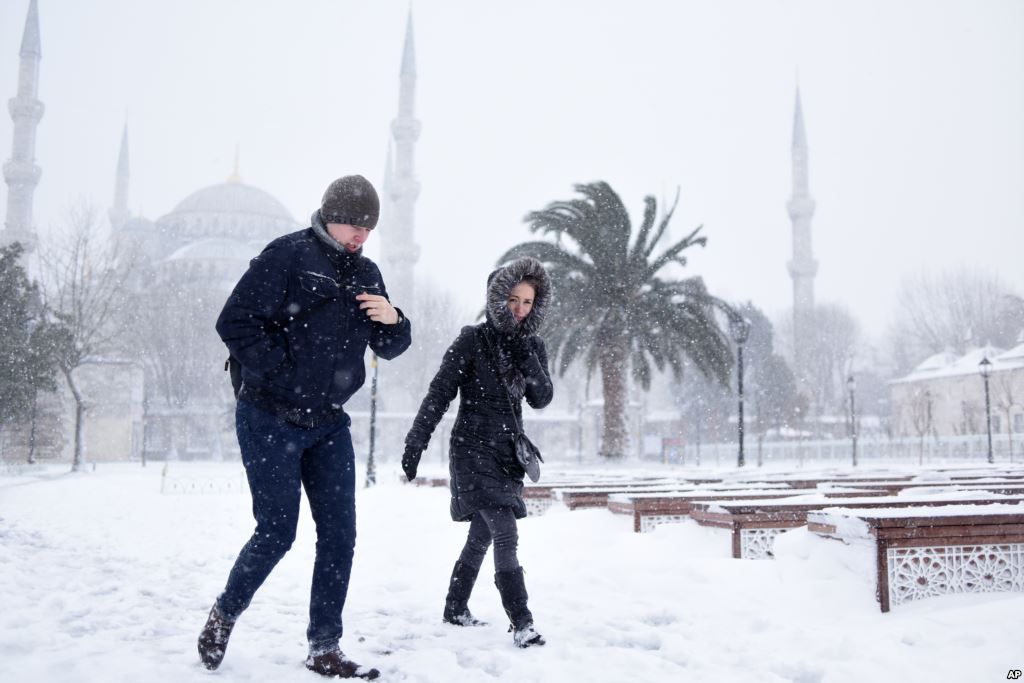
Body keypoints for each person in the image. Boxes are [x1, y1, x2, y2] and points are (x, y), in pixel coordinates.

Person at [198, 175, 411, 680]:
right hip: (269, 415)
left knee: (340, 535)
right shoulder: (287, 256)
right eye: (352, 224)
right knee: (277, 531)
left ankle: (324, 647)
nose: (360, 235)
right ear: (328, 214)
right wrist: (282, 372)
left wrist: (394, 318)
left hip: (328, 424)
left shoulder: (368, 273)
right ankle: (224, 614)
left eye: (368, 227)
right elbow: (235, 322)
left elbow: (391, 347)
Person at [401, 256, 553, 648]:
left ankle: (455, 606)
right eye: (513, 300)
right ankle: (522, 622)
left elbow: (542, 398)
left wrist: (526, 357)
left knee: (481, 534)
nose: (520, 309)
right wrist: (416, 442)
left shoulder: (532, 345)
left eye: (528, 302)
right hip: (471, 450)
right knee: (505, 530)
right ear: (497, 299)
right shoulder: (472, 339)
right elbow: (439, 395)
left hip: (507, 454)